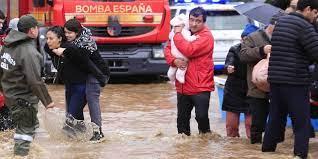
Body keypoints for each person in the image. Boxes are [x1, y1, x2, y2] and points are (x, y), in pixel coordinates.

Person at [262, 0, 318, 158]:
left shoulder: (281, 21)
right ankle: (300, 155)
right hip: (295, 81)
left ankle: (267, 152)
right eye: (315, 13)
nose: (315, 17)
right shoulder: (305, 26)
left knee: (274, 119)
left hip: (276, 80)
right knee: (301, 124)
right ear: (308, 9)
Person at [0, 15, 55, 156]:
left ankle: (30, 153)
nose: (38, 30)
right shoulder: (28, 51)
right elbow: (35, 80)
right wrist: (47, 101)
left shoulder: (7, 46)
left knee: (31, 126)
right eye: (37, 27)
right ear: (32, 30)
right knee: (24, 134)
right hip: (23, 99)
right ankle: (20, 155)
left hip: (11, 97)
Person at [164, 7, 214, 136]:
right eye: (191, 20)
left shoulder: (206, 36)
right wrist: (174, 61)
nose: (194, 24)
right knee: (182, 123)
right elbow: (168, 49)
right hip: (183, 86)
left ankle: (205, 144)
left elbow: (189, 50)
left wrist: (178, 33)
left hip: (201, 85)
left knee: (201, 118)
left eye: (198, 21)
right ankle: (184, 152)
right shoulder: (184, 31)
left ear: (204, 22)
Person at [239, 12, 284, 144]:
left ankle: (279, 152)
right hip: (257, 89)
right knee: (257, 125)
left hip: (279, 87)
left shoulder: (284, 38)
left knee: (279, 125)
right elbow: (243, 55)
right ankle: (255, 152)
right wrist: (261, 50)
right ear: (273, 24)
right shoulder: (253, 37)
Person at [63, 18, 109, 142]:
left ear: (77, 32)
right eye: (65, 33)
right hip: (87, 73)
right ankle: (80, 130)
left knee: (91, 97)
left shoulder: (84, 43)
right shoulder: (75, 40)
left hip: (97, 73)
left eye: (69, 33)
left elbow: (88, 64)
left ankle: (98, 132)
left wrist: (101, 78)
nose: (67, 35)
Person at [222, 24, 259, 138]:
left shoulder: (259, 51)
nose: (245, 42)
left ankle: (251, 152)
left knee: (251, 126)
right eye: (244, 39)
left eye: (248, 39)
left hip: (252, 91)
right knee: (231, 127)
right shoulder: (235, 49)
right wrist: (229, 67)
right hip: (234, 90)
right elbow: (229, 61)